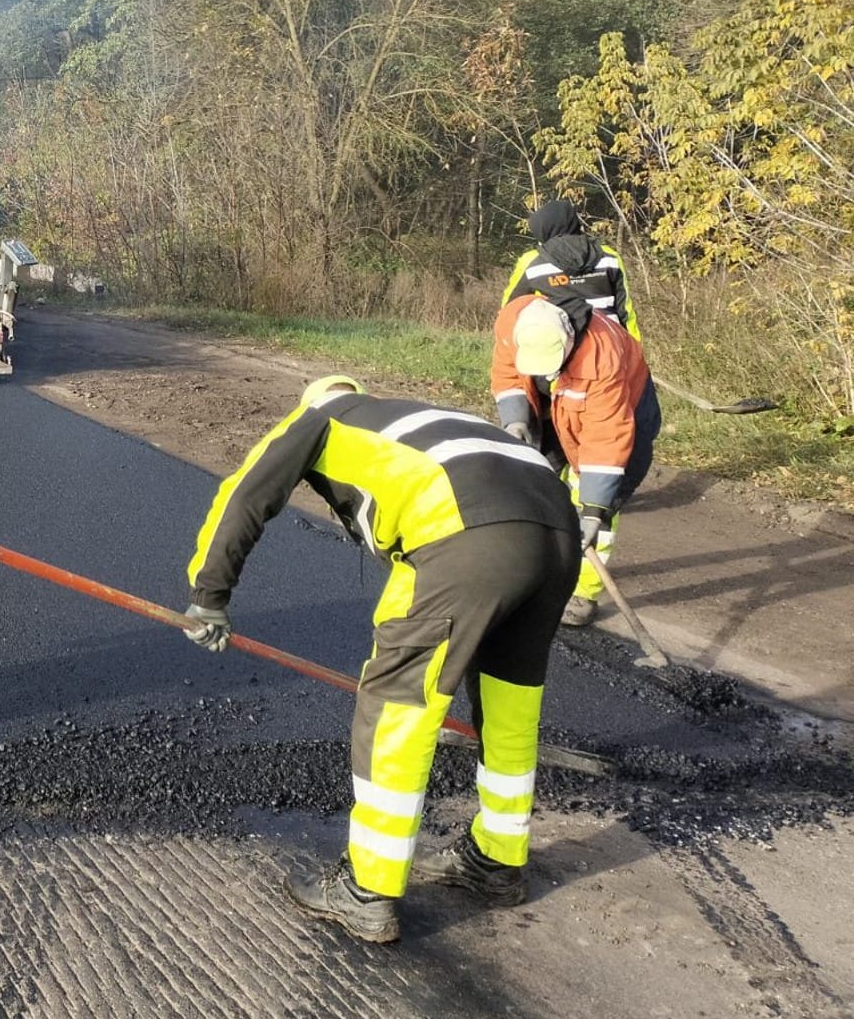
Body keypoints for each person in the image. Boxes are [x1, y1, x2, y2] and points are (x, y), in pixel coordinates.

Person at [184, 375, 581, 943]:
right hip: (556, 531)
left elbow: (247, 494)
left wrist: (209, 595)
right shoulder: (410, 417)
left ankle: (366, 889)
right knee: (510, 706)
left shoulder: (320, 419)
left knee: (397, 702)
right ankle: (497, 861)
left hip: (465, 534)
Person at [493, 293, 661, 627]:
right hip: (557, 405)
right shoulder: (514, 321)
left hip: (622, 417)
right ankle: (539, 571)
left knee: (594, 503)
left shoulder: (602, 358)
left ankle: (582, 591)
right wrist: (516, 419)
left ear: (569, 339)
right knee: (539, 484)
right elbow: (508, 372)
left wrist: (594, 510)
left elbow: (606, 439)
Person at [502, 198, 642, 342]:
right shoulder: (609, 257)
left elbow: (509, 309)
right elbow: (625, 311)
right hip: (609, 344)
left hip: (557, 346)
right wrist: (635, 351)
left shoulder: (532, 262)